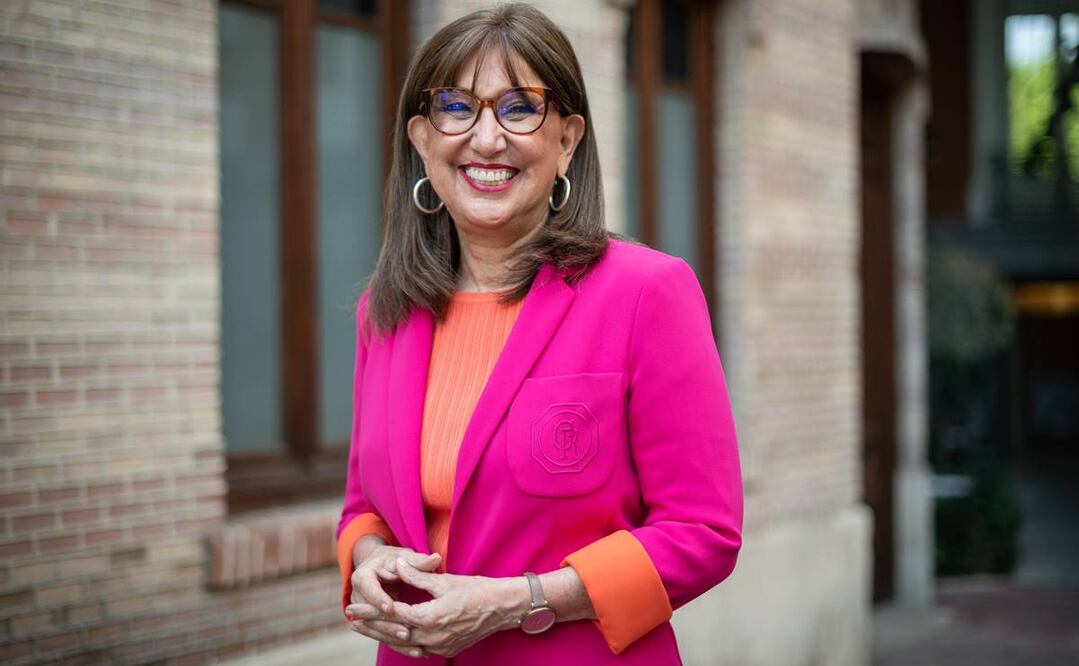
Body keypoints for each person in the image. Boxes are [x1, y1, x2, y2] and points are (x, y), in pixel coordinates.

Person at [335, 5, 742, 664]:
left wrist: (513, 601)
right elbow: (363, 506)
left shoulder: (645, 294)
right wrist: (368, 560)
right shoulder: (384, 313)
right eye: (455, 108)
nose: (485, 139)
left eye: (518, 108)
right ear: (420, 139)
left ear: (566, 139)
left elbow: (702, 532)